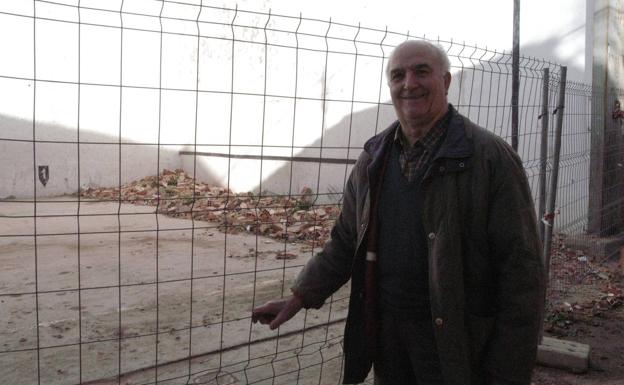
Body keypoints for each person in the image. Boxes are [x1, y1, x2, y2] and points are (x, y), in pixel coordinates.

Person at [252, 40, 545, 385]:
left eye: (422, 71)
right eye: (397, 75)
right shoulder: (374, 159)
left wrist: (507, 372)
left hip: (457, 342)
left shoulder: (489, 159)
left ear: (446, 81)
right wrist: (300, 296)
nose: (409, 83)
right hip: (387, 338)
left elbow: (521, 274)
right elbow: (346, 241)